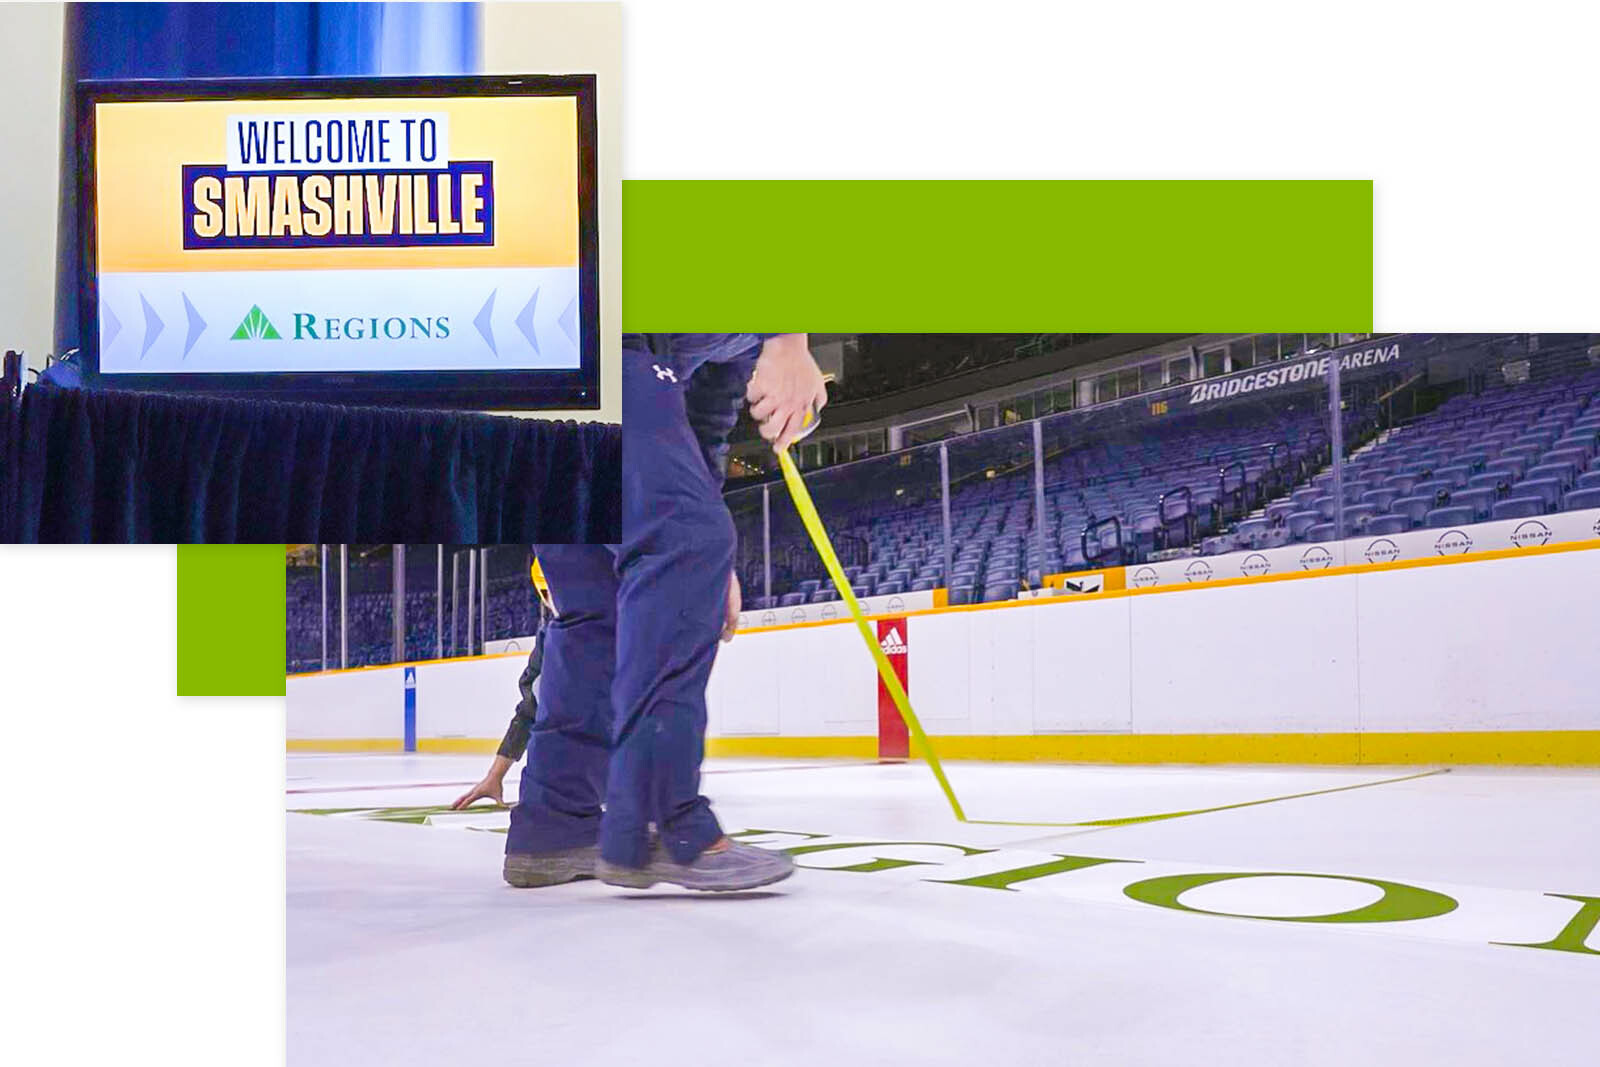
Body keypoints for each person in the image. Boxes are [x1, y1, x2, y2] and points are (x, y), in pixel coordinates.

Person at [502, 334, 827, 892]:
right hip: (587, 347)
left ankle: (557, 824)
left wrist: (704, 553)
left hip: (540, 392)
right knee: (681, 541)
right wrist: (789, 339)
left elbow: (702, 425)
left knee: (595, 609)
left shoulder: (731, 349)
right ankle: (657, 823)